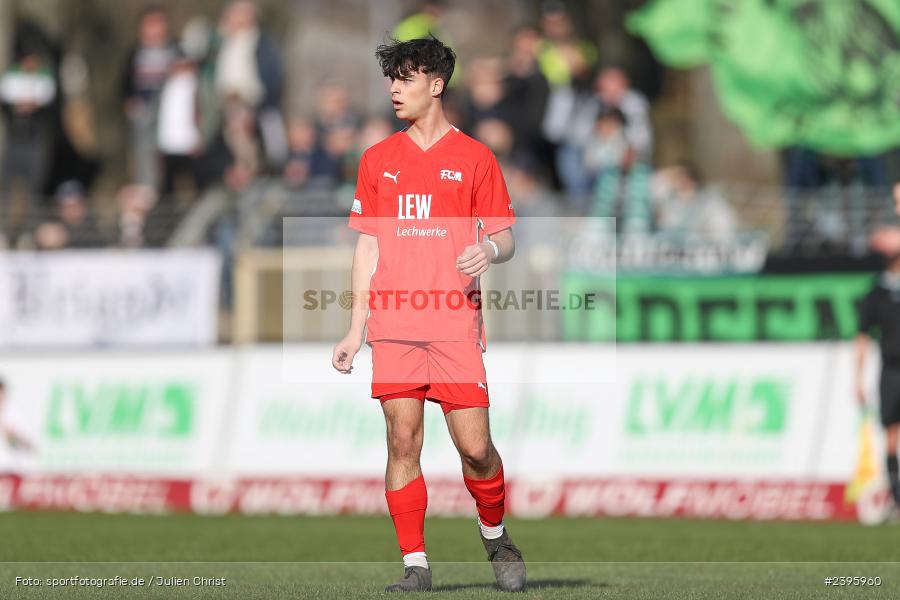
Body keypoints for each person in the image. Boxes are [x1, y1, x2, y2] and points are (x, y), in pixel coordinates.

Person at [330, 36, 525, 593]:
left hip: (454, 326)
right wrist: (354, 326)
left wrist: (487, 250)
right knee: (401, 440)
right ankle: (415, 565)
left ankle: (495, 535)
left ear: (436, 85)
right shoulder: (377, 160)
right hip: (394, 328)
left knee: (476, 450)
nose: (395, 89)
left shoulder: (475, 158)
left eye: (407, 78)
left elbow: (507, 237)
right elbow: (367, 248)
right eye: (392, 79)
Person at [856, 227, 900, 521]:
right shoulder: (877, 292)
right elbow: (861, 338)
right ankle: (897, 501)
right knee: (891, 436)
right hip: (892, 370)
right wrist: (856, 378)